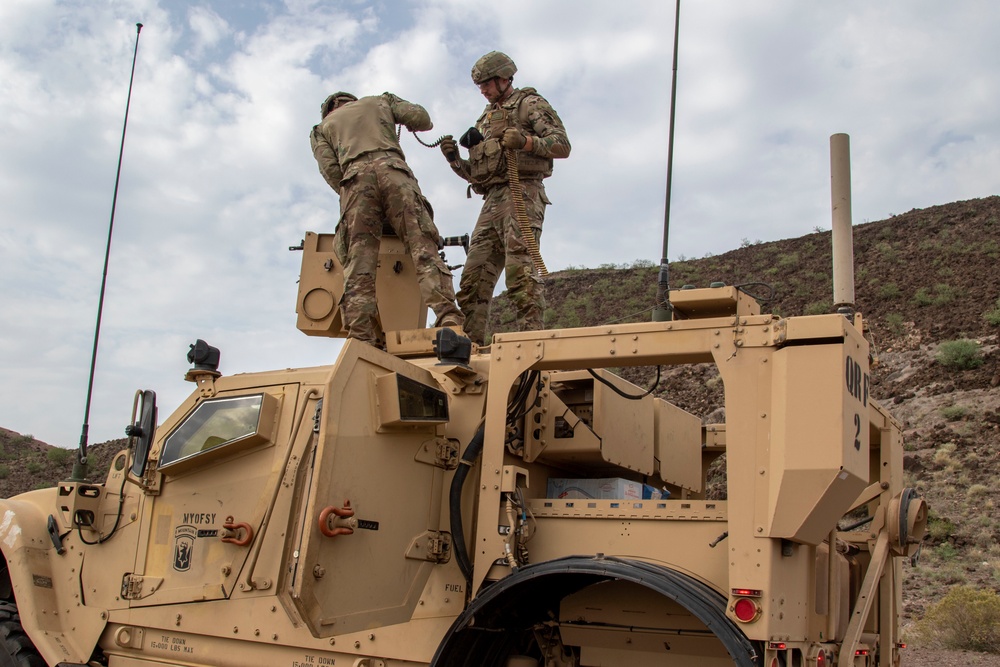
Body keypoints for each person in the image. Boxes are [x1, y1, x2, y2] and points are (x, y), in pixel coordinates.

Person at [310, 91, 464, 347]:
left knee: (359, 260)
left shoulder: (321, 128)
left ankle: (361, 337)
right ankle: (448, 318)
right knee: (422, 248)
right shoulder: (380, 101)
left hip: (355, 180)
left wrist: (355, 192)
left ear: (329, 110)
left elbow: (330, 170)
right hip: (394, 172)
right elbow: (423, 120)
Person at [439, 51, 570, 345]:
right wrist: (454, 160)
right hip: (492, 201)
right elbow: (479, 175)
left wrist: (526, 142)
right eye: (480, 86)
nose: (483, 91)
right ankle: (469, 347)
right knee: (472, 280)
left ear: (502, 79)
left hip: (522, 193)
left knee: (519, 272)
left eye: (486, 84)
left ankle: (532, 340)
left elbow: (561, 144)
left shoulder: (529, 104)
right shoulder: (485, 119)